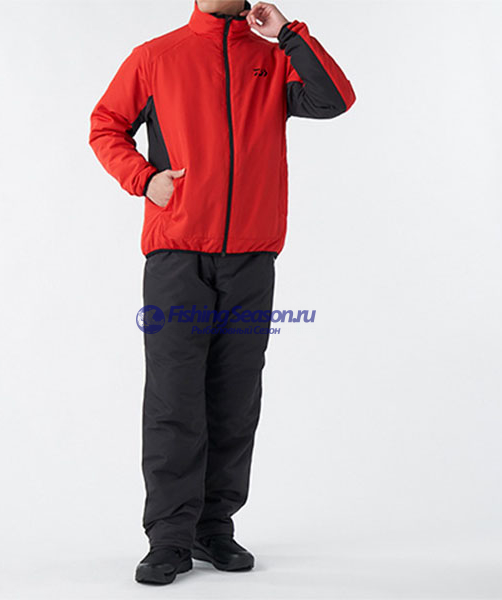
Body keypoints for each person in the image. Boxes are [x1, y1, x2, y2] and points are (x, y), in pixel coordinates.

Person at [88, 0, 356, 585]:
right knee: (174, 398)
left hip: (252, 257)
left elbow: (335, 98)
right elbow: (105, 124)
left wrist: (288, 35)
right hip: (177, 257)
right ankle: (169, 538)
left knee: (235, 399)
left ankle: (213, 528)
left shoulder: (273, 59)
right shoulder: (157, 57)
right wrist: (144, 178)